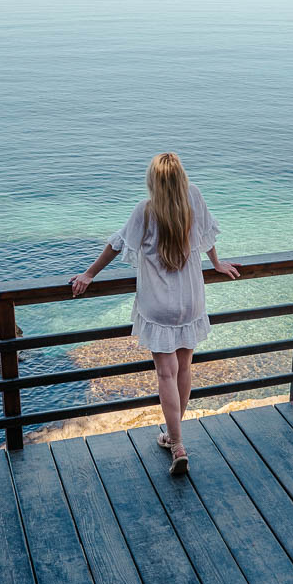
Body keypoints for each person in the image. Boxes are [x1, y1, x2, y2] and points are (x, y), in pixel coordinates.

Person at [70, 153, 239, 475]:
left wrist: (88, 275)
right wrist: (217, 264)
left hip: (158, 302)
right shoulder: (194, 197)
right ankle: (174, 436)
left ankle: (176, 443)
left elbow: (116, 245)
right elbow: (207, 236)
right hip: (191, 298)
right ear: (181, 177)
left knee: (165, 374)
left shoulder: (146, 211)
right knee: (184, 368)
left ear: (154, 181)